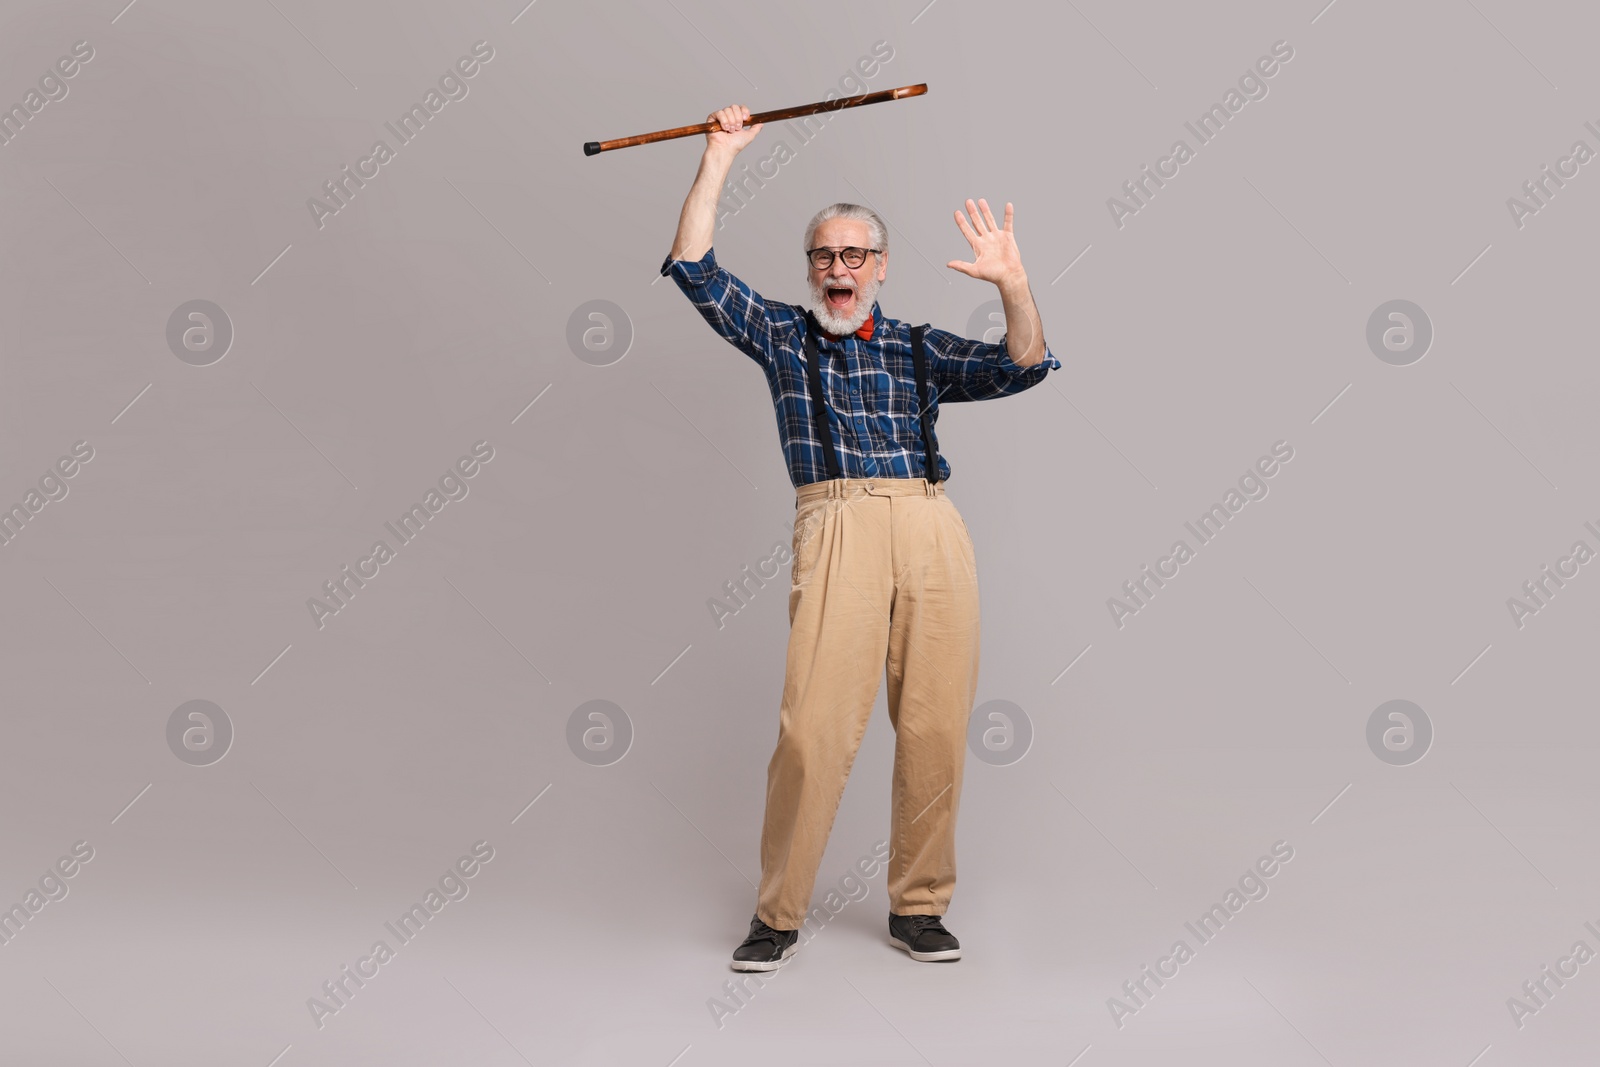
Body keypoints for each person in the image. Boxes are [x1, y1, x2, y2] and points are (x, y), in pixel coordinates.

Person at [661, 104, 1060, 970]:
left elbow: (1023, 363)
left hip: (929, 524)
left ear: (879, 267)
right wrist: (719, 155)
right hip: (836, 519)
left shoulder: (918, 347)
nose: (838, 270)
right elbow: (692, 266)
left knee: (936, 725)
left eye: (854, 256)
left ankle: (918, 906)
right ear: (811, 269)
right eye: (823, 257)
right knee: (813, 728)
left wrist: (1013, 285)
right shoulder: (782, 336)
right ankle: (779, 913)